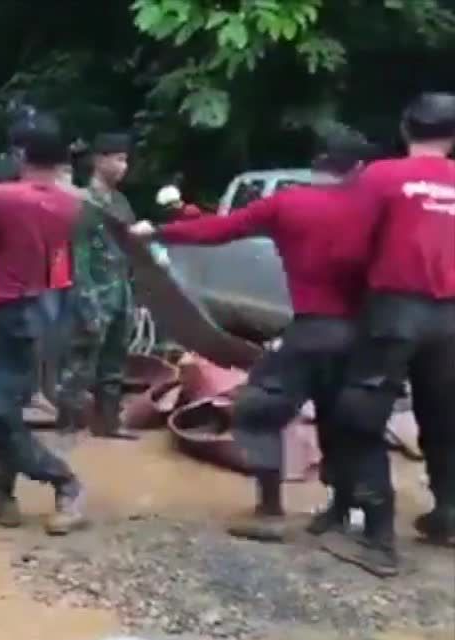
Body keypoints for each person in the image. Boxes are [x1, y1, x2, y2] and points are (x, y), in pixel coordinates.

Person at [131, 130, 379, 543]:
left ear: (317, 164)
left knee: (258, 411)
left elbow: (219, 230)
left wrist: (155, 234)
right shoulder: (375, 209)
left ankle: (270, 511)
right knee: (343, 420)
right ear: (359, 168)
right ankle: (345, 510)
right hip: (364, 334)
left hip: (312, 330)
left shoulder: (288, 203)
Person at [325, 93, 455, 573]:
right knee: (445, 419)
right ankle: (448, 516)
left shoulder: (380, 176)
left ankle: (379, 540)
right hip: (451, 320)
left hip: (395, 311)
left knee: (361, 415)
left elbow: (347, 247)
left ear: (405, 128)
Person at [0, 112, 88, 534]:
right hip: (47, 308)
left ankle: (64, 483)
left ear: (20, 153)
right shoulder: (72, 201)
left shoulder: (4, 197)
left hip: (9, 310)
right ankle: (1, 494)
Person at [56, 132, 139, 440]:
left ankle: (108, 424)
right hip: (94, 291)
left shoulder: (120, 201)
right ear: (99, 160)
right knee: (80, 363)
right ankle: (69, 425)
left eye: (125, 160)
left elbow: (131, 244)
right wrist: (87, 299)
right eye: (118, 159)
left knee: (114, 362)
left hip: (122, 291)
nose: (123, 166)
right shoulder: (83, 203)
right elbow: (78, 255)